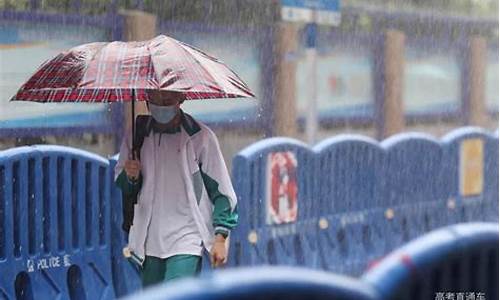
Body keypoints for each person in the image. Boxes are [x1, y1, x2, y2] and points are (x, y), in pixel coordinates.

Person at [114, 90, 238, 287]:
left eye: (168, 98)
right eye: (155, 97)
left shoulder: (201, 138)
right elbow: (122, 184)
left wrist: (220, 238)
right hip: (148, 240)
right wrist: (130, 177)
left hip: (186, 239)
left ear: (181, 98)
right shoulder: (136, 136)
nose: (161, 104)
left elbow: (222, 192)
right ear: (146, 98)